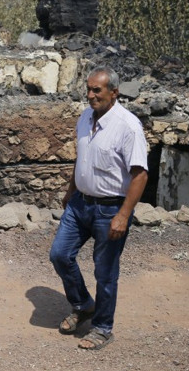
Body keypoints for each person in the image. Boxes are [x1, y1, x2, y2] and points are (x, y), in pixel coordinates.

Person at [49, 65, 148, 350]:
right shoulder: (85, 117)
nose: (91, 96)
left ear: (114, 92)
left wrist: (124, 215)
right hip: (80, 204)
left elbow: (140, 174)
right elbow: (83, 158)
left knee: (105, 272)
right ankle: (83, 304)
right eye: (88, 90)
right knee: (59, 254)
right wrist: (70, 192)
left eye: (97, 90)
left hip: (110, 209)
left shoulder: (128, 126)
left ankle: (103, 328)